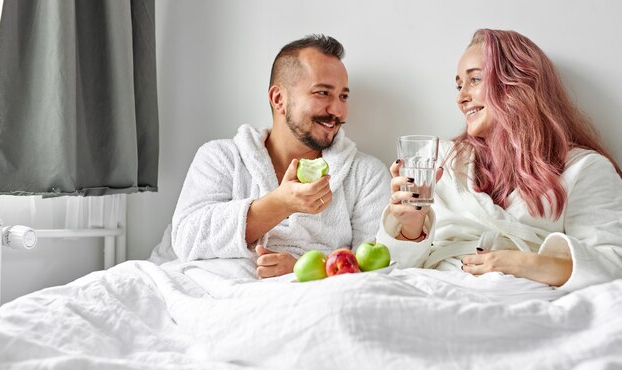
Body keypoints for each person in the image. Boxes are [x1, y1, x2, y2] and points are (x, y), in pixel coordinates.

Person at [377, 28, 622, 291]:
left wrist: (525, 264)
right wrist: (410, 228)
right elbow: (393, 266)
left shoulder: (584, 169)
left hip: (519, 295)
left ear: (518, 81)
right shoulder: (443, 161)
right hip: (436, 287)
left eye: (474, 80)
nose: (461, 98)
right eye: (459, 85)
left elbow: (613, 264)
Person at [172, 34, 391, 278]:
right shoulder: (221, 157)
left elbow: (375, 266)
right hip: (224, 294)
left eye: (343, 96)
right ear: (279, 99)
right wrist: (279, 203)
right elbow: (186, 238)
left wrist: (303, 268)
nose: (338, 110)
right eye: (322, 93)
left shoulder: (365, 174)